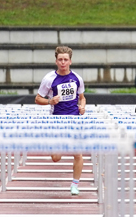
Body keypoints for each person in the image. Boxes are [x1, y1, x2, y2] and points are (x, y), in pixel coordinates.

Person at [34, 46, 86, 195]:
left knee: (78, 153)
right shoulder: (49, 79)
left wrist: (82, 107)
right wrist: (50, 101)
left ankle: (75, 185)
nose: (63, 62)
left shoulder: (77, 78)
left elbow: (82, 98)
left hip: (74, 119)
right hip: (57, 120)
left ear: (70, 61)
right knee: (56, 158)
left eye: (65, 60)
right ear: (56, 61)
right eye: (60, 60)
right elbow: (37, 99)